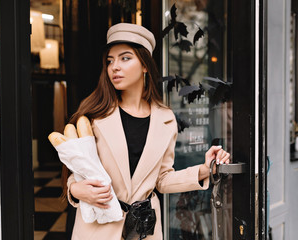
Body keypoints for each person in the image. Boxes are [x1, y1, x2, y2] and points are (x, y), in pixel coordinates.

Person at [64, 23, 230, 240]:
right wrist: (76, 191)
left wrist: (204, 169)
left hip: (144, 228)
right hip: (98, 227)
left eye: (125, 58)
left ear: (144, 65)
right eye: (110, 61)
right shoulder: (95, 114)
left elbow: (162, 179)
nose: (115, 66)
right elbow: (76, 168)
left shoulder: (165, 119)